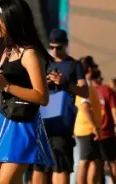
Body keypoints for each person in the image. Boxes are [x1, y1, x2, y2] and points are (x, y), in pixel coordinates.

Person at [0, 0, 54, 183]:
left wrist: (6, 85)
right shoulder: (8, 51)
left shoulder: (30, 54)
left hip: (22, 124)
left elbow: (42, 97)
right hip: (3, 119)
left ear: (11, 20)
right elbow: (0, 94)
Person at [34, 29, 88, 184]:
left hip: (62, 124)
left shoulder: (74, 65)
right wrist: (45, 82)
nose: (55, 51)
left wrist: (65, 83)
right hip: (42, 122)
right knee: (39, 166)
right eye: (52, 47)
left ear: (66, 45)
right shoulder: (44, 62)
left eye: (59, 48)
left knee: (61, 166)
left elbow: (85, 92)